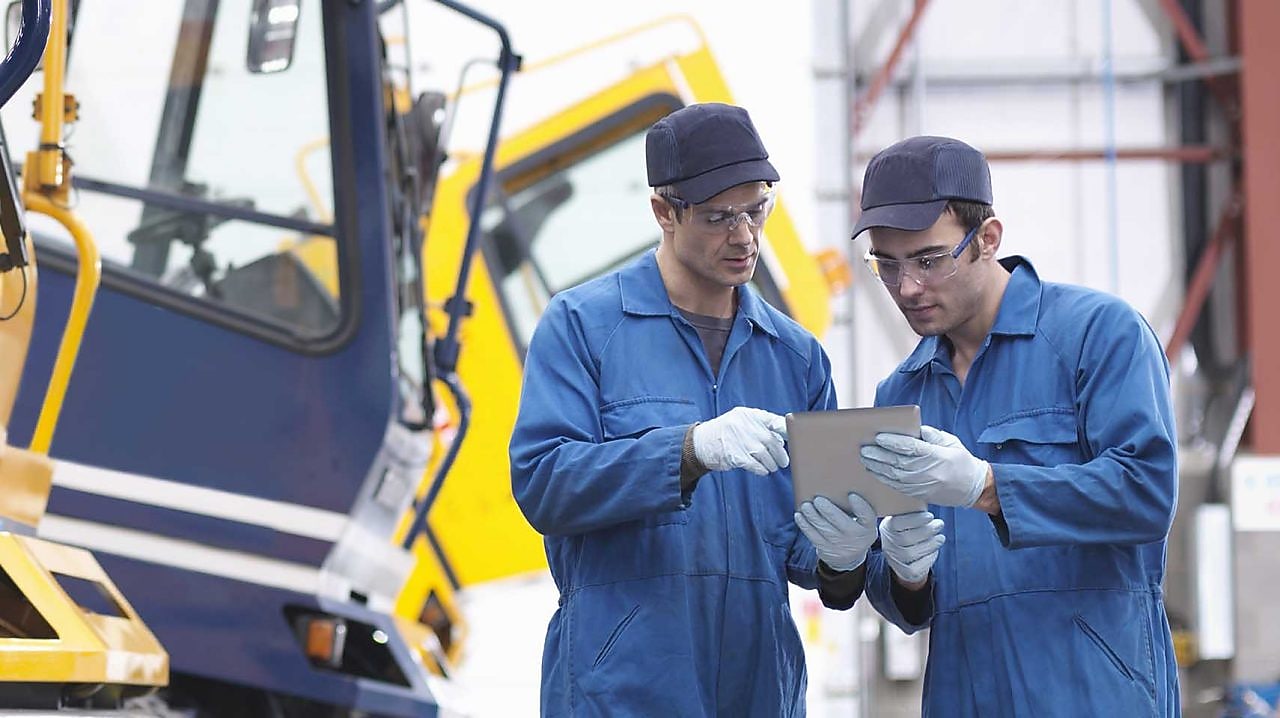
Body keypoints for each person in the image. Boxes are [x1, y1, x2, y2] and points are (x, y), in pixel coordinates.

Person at [509, 103, 886, 716]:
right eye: (718, 217)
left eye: (756, 208)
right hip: (622, 693)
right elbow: (544, 484)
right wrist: (688, 452)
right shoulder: (583, 326)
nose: (744, 236)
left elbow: (806, 551)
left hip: (758, 690)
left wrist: (847, 558)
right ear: (663, 211)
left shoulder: (797, 359)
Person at [851, 135, 1180, 716]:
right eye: (887, 264)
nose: (907, 287)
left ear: (988, 240)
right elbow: (909, 609)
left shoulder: (1097, 336)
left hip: (1094, 696)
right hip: (963, 694)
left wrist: (986, 487)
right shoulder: (901, 394)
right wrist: (896, 572)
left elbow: (1146, 492)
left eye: (929, 260)